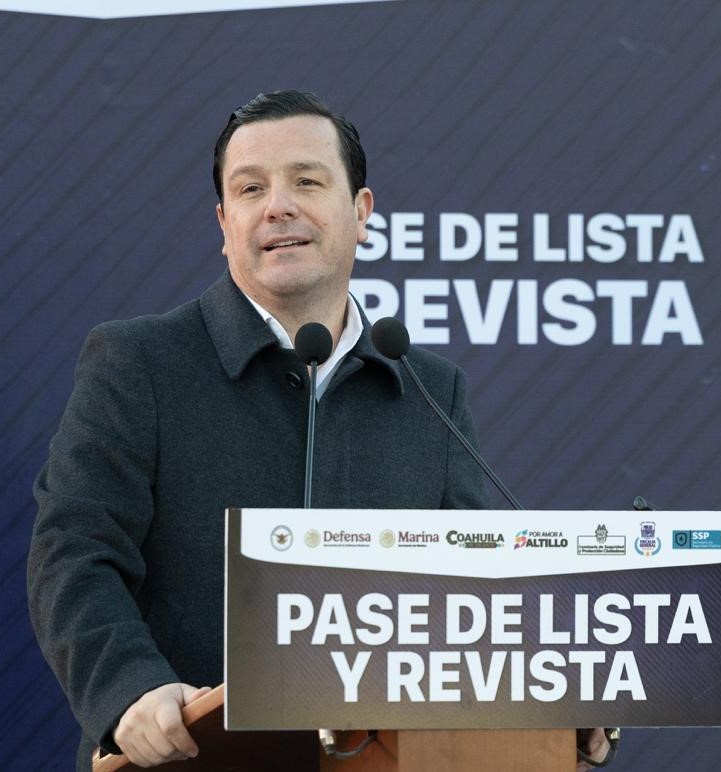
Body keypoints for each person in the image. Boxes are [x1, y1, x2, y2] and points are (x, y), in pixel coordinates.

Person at [28, 90, 489, 771]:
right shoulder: (139, 363)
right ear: (225, 223)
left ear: (361, 212)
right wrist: (131, 690)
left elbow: (477, 594)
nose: (278, 206)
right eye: (250, 189)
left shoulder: (429, 387)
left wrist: (558, 707)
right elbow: (74, 551)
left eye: (307, 181)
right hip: (187, 756)